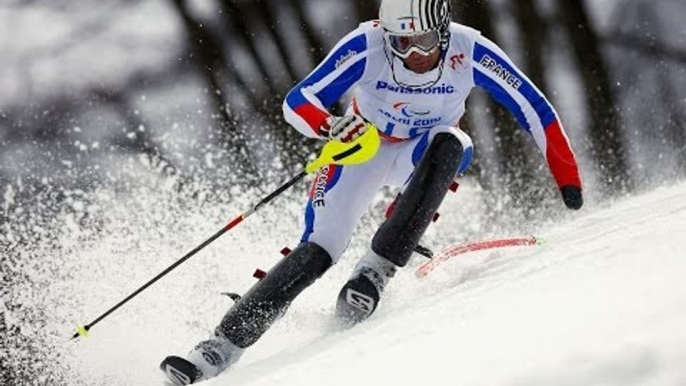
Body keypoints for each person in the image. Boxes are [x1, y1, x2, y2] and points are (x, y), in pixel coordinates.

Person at [160, 0, 583, 384]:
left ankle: (375, 271)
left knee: (453, 143)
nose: (414, 54)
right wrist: (329, 125)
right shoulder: (368, 43)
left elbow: (534, 107)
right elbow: (298, 100)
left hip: (421, 154)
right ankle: (216, 350)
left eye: (423, 41)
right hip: (362, 146)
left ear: (443, 29)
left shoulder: (470, 49)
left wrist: (568, 181)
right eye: (401, 43)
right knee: (319, 247)